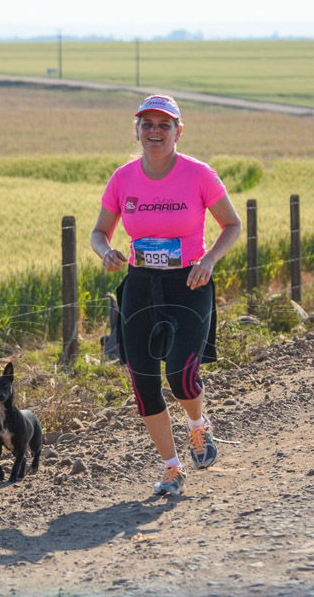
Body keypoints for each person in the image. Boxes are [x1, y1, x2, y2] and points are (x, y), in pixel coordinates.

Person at [90, 95, 242, 497]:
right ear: (137, 130)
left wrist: (209, 260)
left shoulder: (199, 174)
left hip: (188, 283)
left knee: (180, 372)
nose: (154, 131)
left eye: (163, 124)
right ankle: (172, 469)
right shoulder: (122, 178)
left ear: (178, 130)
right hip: (140, 284)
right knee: (142, 380)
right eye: (147, 124)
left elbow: (232, 225)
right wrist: (106, 251)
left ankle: (198, 426)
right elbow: (99, 232)